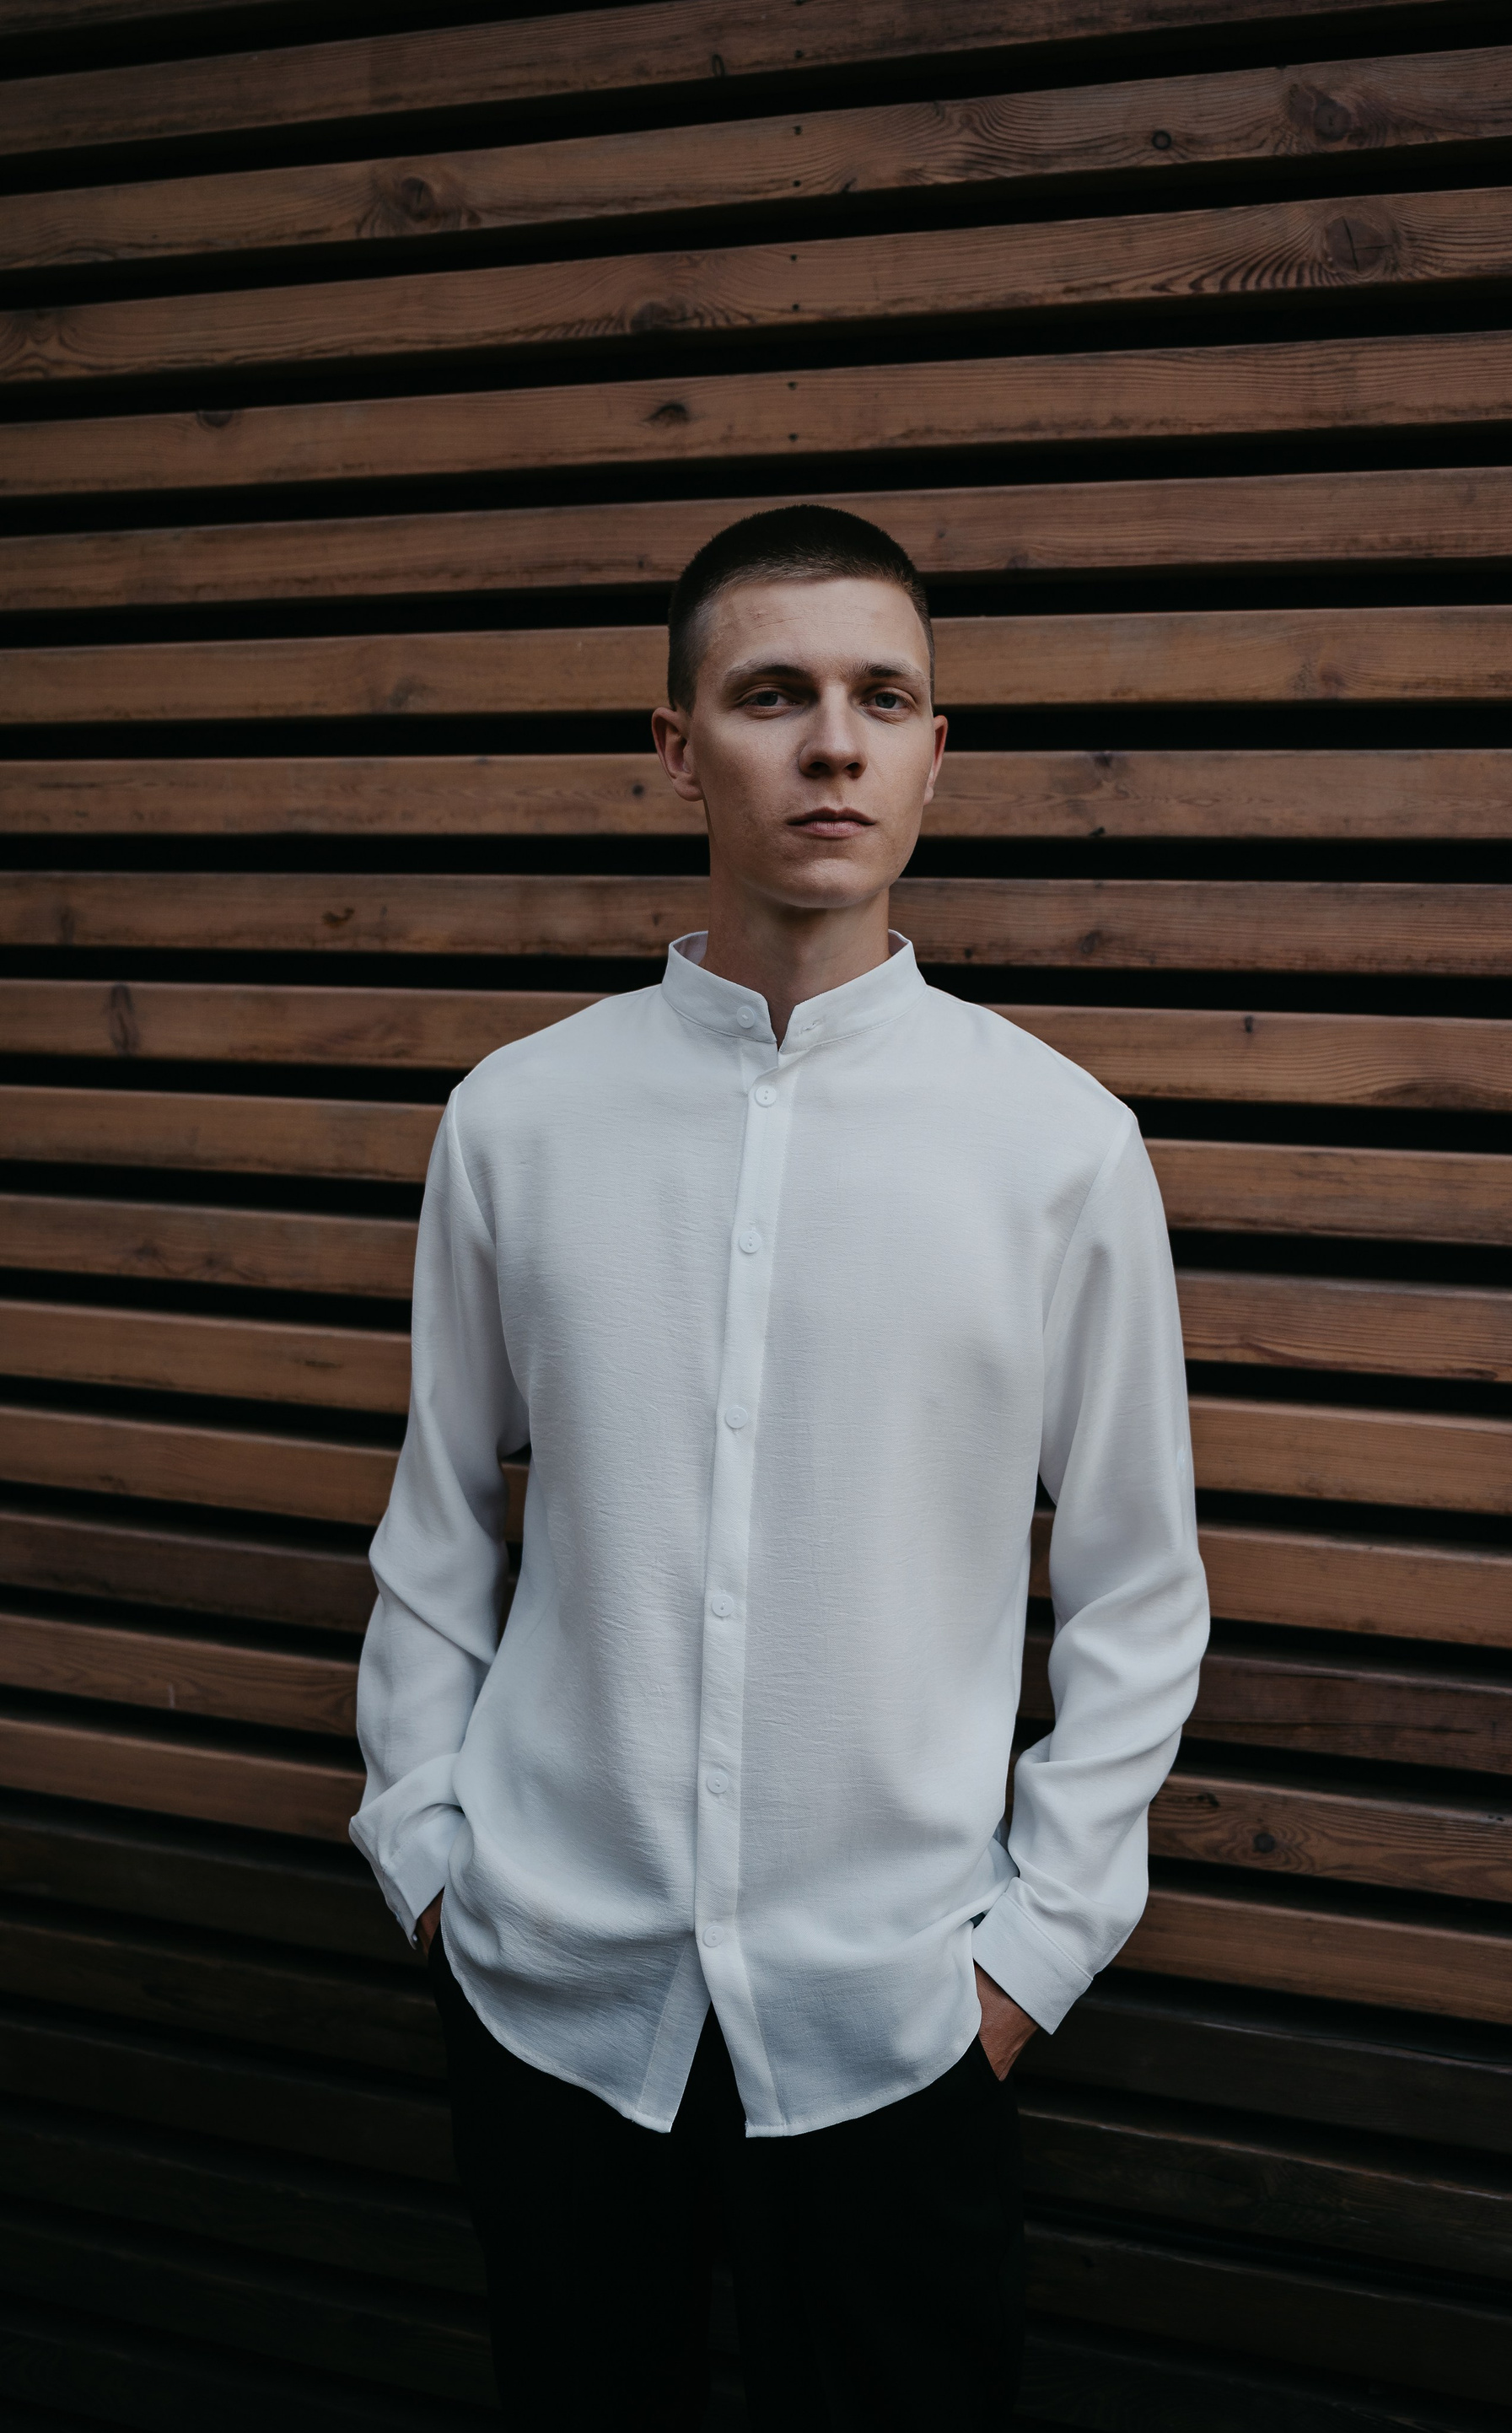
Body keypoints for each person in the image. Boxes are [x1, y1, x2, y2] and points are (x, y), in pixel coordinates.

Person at [350, 504, 1208, 2430]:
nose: (833, 744)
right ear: (677, 747)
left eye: (882, 698)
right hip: (553, 1998)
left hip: (899, 2019)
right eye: (773, 695)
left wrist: (1028, 1959)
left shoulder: (1059, 1144)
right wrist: (425, 1853)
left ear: (933, 752)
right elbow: (438, 1529)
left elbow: (1141, 1589)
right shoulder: (518, 1120)